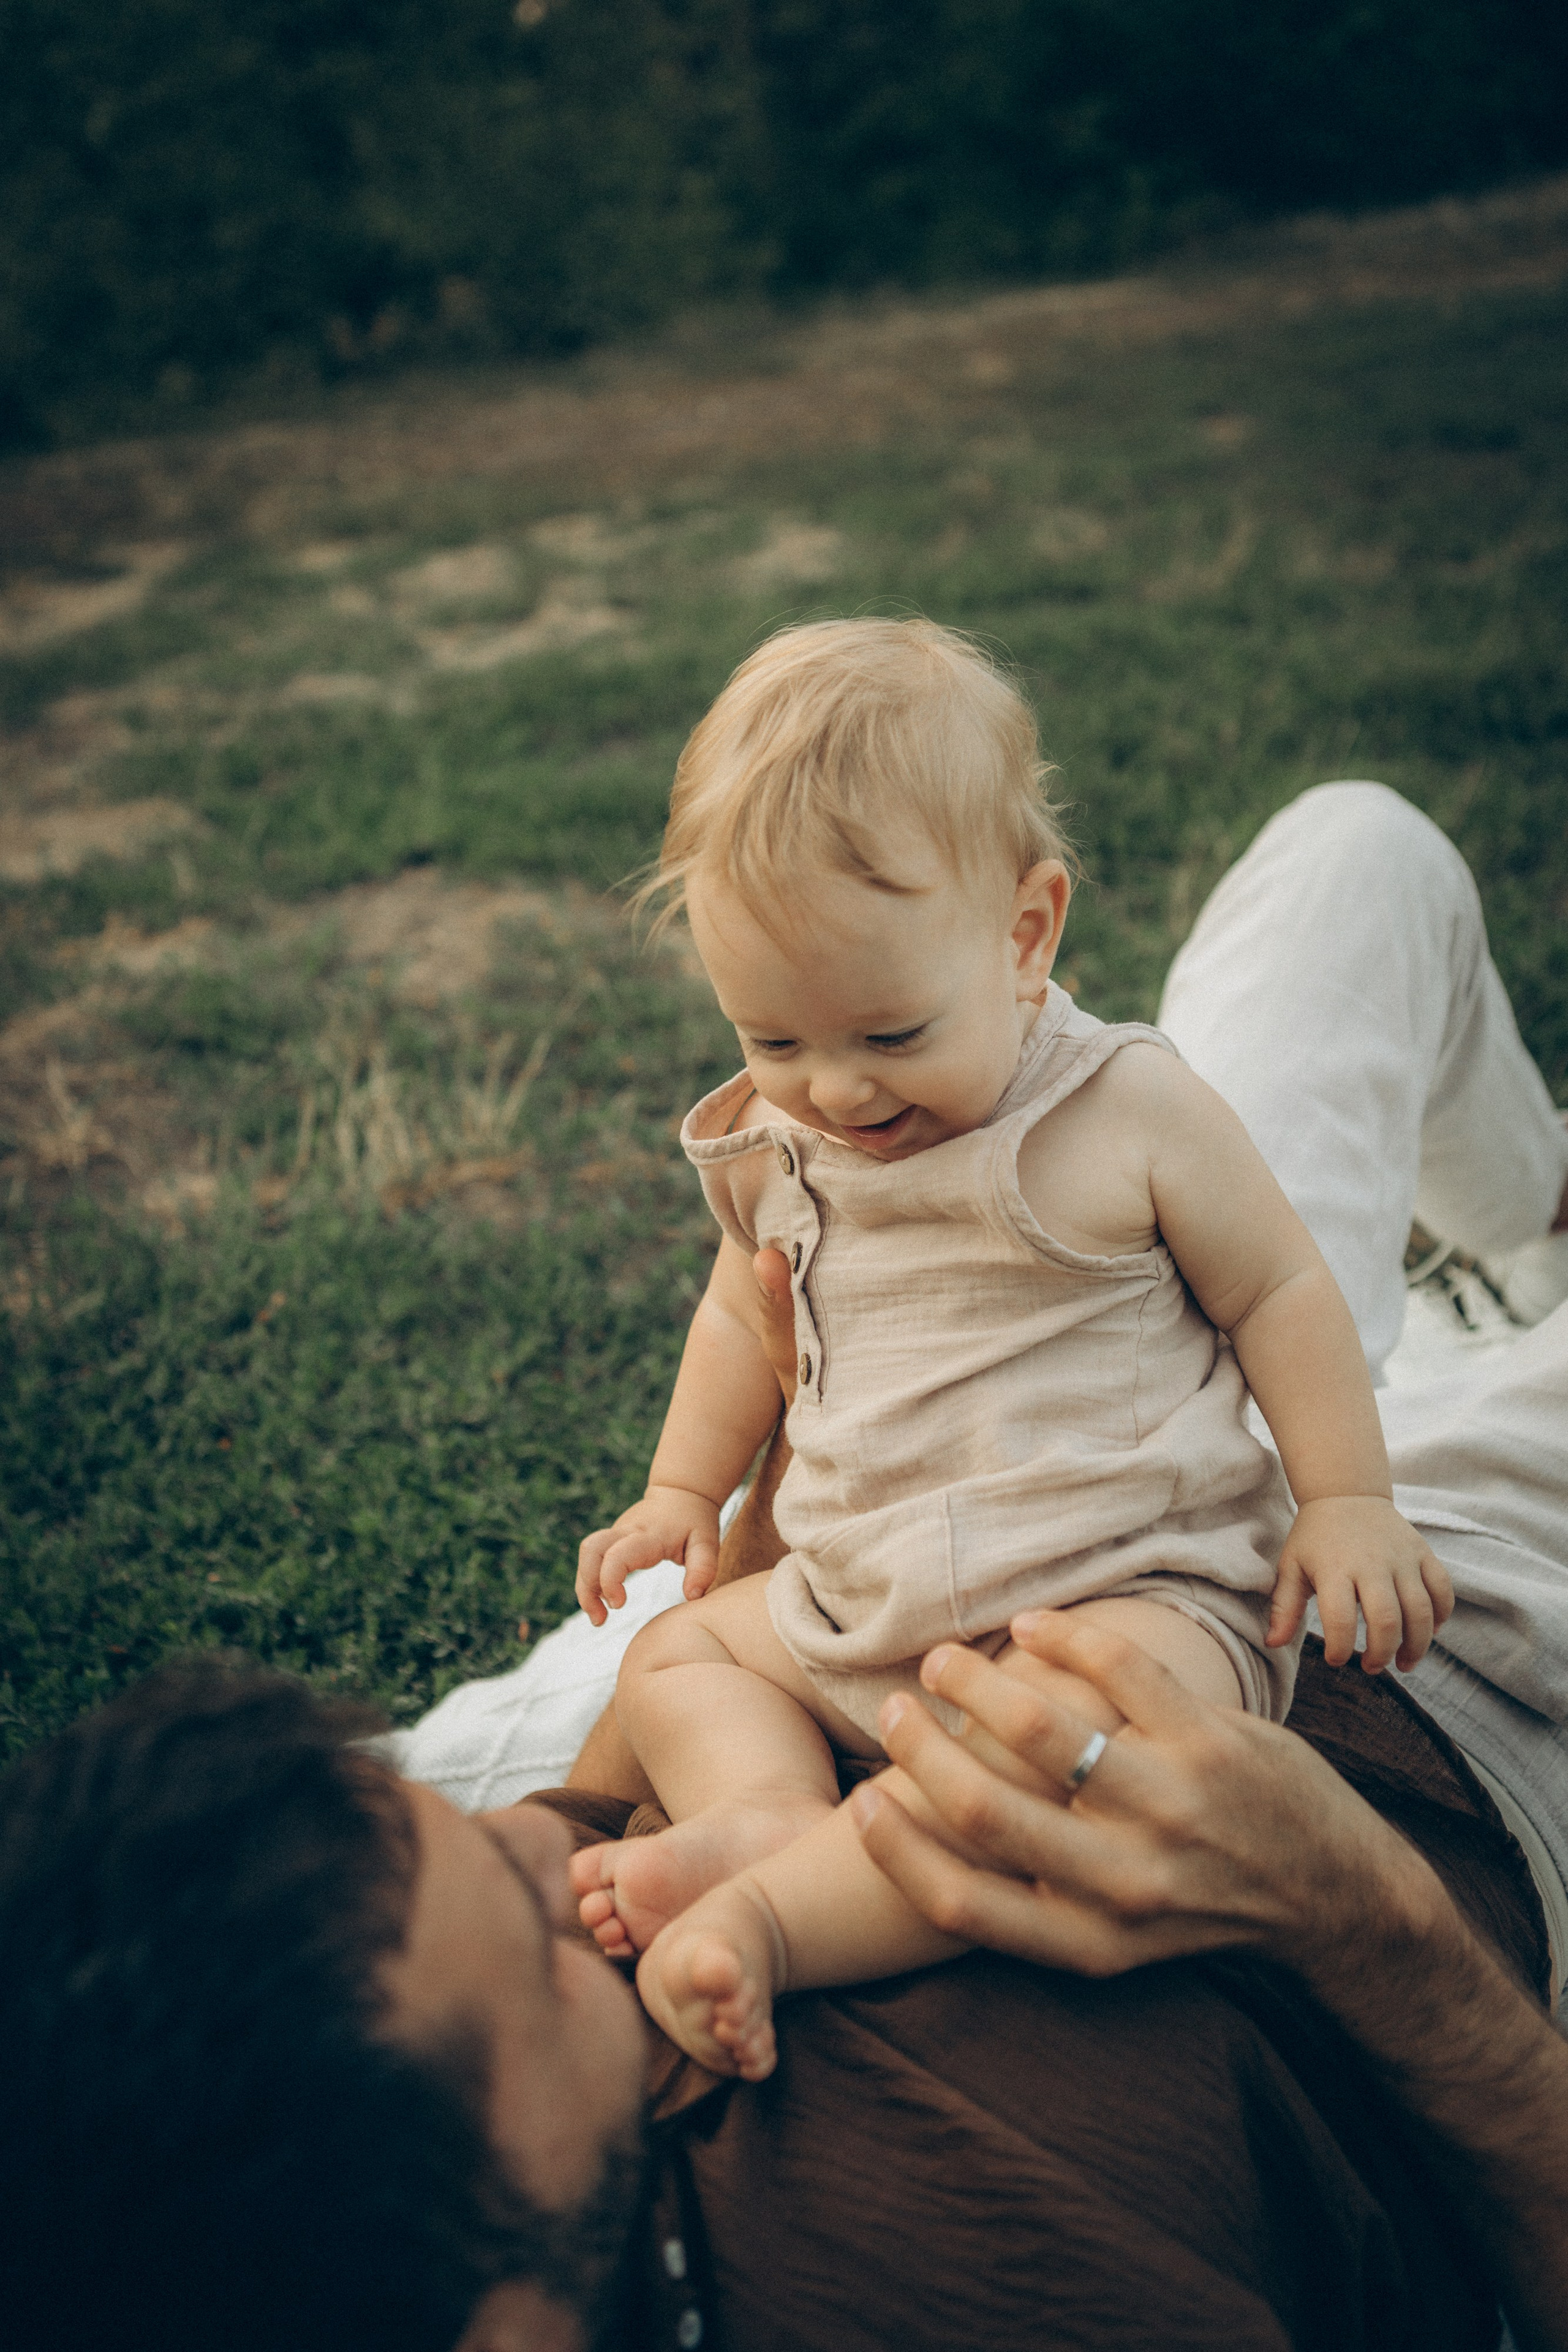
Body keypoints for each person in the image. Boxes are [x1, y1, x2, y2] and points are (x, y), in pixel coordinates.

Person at [567, 619, 1451, 2078]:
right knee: (674, 1659)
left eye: (888, 1033)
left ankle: (782, 1925)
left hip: (1114, 1598)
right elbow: (739, 1308)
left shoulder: (1122, 1116)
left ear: (1024, 931)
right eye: (771, 1037)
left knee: (1073, 1772)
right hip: (857, 1601)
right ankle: (772, 1815)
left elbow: (1281, 1289)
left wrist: (1345, 1499)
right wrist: (678, 1494)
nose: (833, 1089)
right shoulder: (780, 1135)